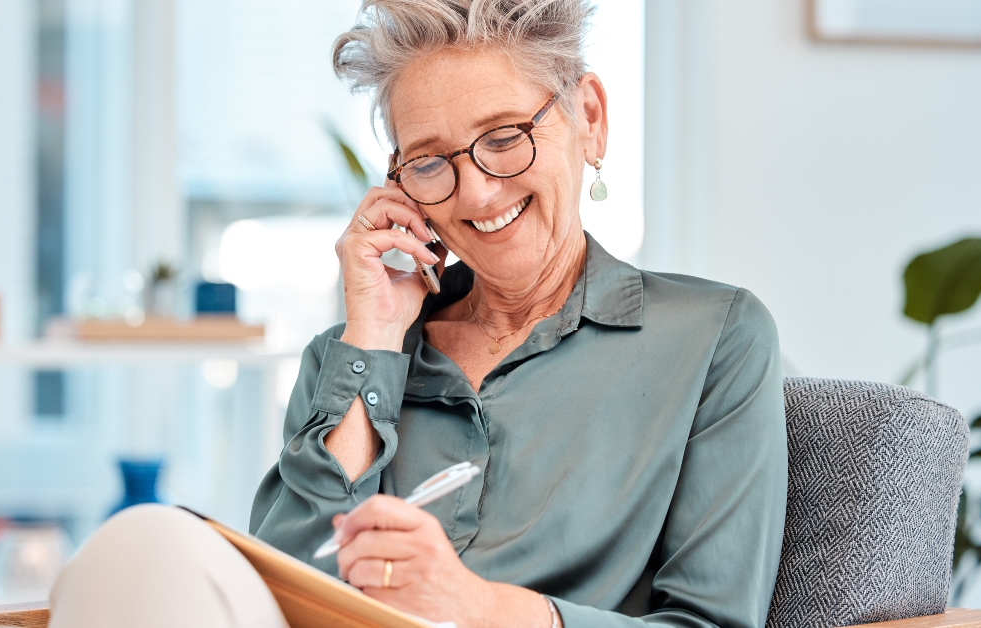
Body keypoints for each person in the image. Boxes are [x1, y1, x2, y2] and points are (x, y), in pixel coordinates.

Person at [48, 1, 787, 627]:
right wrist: (373, 334)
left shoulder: (712, 338)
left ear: (588, 119)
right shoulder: (349, 357)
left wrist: (477, 606)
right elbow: (284, 589)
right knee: (143, 542)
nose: (474, 194)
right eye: (430, 161)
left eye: (504, 137)